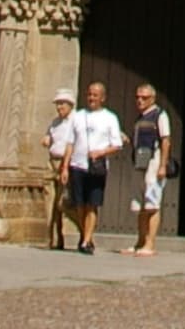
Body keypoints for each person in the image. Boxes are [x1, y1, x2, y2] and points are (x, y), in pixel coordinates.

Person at [63, 80, 123, 255]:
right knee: (79, 205)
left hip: (96, 167)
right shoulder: (77, 116)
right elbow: (69, 143)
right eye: (89, 94)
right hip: (77, 165)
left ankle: (86, 240)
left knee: (92, 204)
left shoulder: (110, 118)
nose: (91, 98)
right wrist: (65, 167)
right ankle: (85, 236)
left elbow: (117, 145)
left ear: (102, 98)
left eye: (95, 95)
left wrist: (101, 152)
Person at [127, 83, 173, 256]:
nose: (140, 100)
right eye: (137, 97)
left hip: (153, 163)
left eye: (144, 97)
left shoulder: (160, 115)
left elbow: (166, 140)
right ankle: (139, 241)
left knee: (152, 204)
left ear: (152, 98)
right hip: (139, 162)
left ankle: (150, 243)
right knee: (140, 205)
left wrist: (162, 165)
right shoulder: (140, 118)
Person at [42, 88, 78, 250]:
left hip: (67, 162)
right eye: (57, 104)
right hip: (52, 161)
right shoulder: (55, 122)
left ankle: (85, 231)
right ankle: (54, 239)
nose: (59, 107)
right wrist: (47, 138)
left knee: (64, 203)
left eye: (62, 103)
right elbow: (51, 136)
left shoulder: (77, 120)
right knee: (50, 202)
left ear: (70, 104)